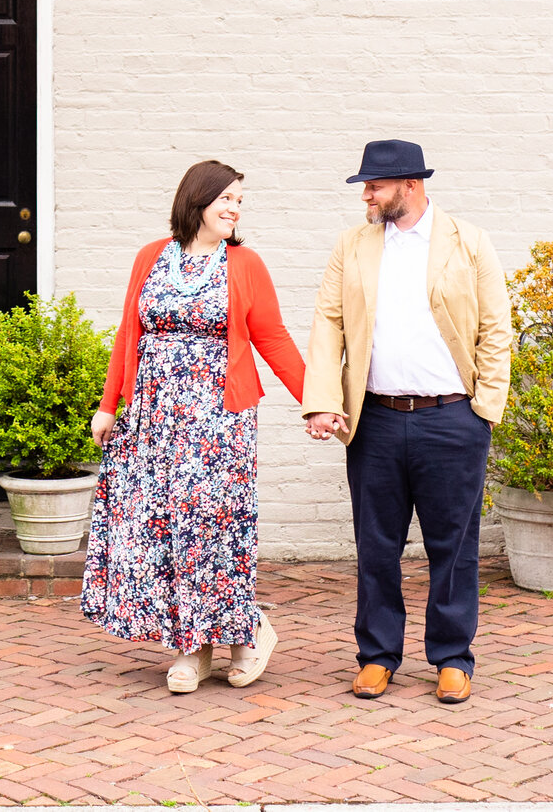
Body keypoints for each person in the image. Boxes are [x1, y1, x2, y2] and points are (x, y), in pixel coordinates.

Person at [82, 159, 307, 693]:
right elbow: (128, 336)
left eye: (239, 201)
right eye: (225, 198)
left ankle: (246, 635)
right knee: (162, 528)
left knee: (213, 528)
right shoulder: (150, 258)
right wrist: (108, 404)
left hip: (219, 420)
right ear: (197, 201)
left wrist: (315, 401)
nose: (233, 208)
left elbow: (271, 338)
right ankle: (192, 647)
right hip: (152, 418)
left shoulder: (244, 263)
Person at [302, 139, 512, 705]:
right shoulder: (352, 246)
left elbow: (496, 328)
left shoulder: (468, 242)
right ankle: (376, 656)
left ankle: (451, 657)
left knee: (454, 545)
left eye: (374, 185)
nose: (365, 195)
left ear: (411, 187)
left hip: (452, 419)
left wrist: (485, 409)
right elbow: (328, 324)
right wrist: (323, 399)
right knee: (375, 544)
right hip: (376, 422)